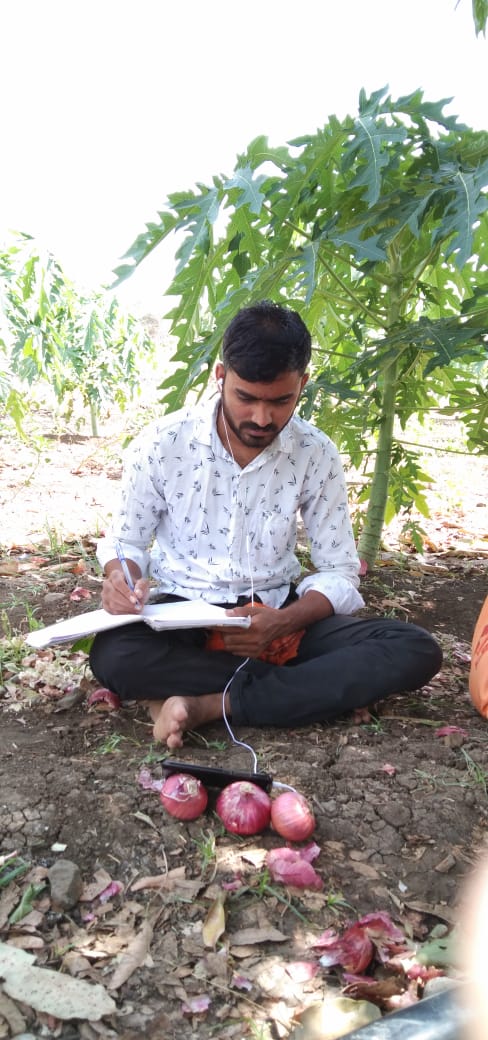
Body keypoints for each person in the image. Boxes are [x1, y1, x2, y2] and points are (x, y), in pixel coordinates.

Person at [90, 300, 442, 749]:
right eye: (246, 397)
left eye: (280, 401)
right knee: (115, 656)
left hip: (279, 619)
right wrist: (121, 579)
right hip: (182, 618)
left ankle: (211, 704)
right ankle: (305, 689)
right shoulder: (162, 444)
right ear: (221, 377)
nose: (261, 418)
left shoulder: (316, 453)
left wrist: (282, 622)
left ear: (303, 385)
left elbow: (338, 571)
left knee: (413, 648)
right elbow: (127, 542)